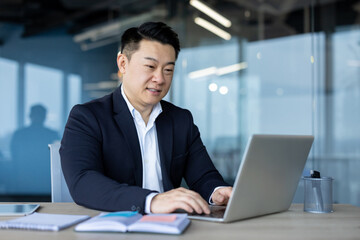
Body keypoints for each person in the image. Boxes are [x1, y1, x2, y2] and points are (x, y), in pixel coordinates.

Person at [60, 22, 232, 214]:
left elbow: (203, 176)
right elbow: (83, 181)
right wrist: (151, 201)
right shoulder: (88, 117)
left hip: (170, 227)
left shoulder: (180, 120)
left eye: (168, 70)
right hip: (113, 225)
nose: (160, 79)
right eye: (150, 66)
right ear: (123, 63)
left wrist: (217, 191)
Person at [11, 104, 59, 194]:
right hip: (39, 177)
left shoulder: (19, 134)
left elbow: (14, 156)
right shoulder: (52, 134)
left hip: (30, 177)